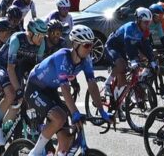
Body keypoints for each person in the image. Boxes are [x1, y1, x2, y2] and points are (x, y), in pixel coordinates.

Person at [27, 26, 106, 156]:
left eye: (91, 45)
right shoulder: (62, 57)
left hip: (50, 90)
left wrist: (102, 111)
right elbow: (65, 88)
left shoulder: (86, 60)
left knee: (66, 140)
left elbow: (92, 85)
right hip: (35, 87)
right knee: (60, 118)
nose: (90, 49)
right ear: (75, 44)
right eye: (86, 45)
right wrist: (75, 113)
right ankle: (34, 153)